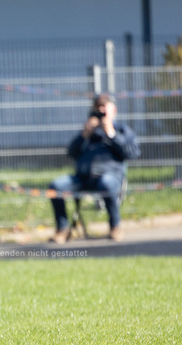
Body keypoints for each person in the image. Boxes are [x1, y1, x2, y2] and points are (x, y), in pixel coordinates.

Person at [49, 93, 139, 244]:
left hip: (110, 176)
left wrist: (111, 133)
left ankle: (115, 227)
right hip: (83, 178)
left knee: (107, 183)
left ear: (114, 110)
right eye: (98, 107)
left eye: (104, 107)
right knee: (56, 186)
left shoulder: (121, 130)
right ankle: (62, 229)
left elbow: (132, 152)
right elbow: (71, 153)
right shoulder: (89, 132)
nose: (101, 110)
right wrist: (84, 134)